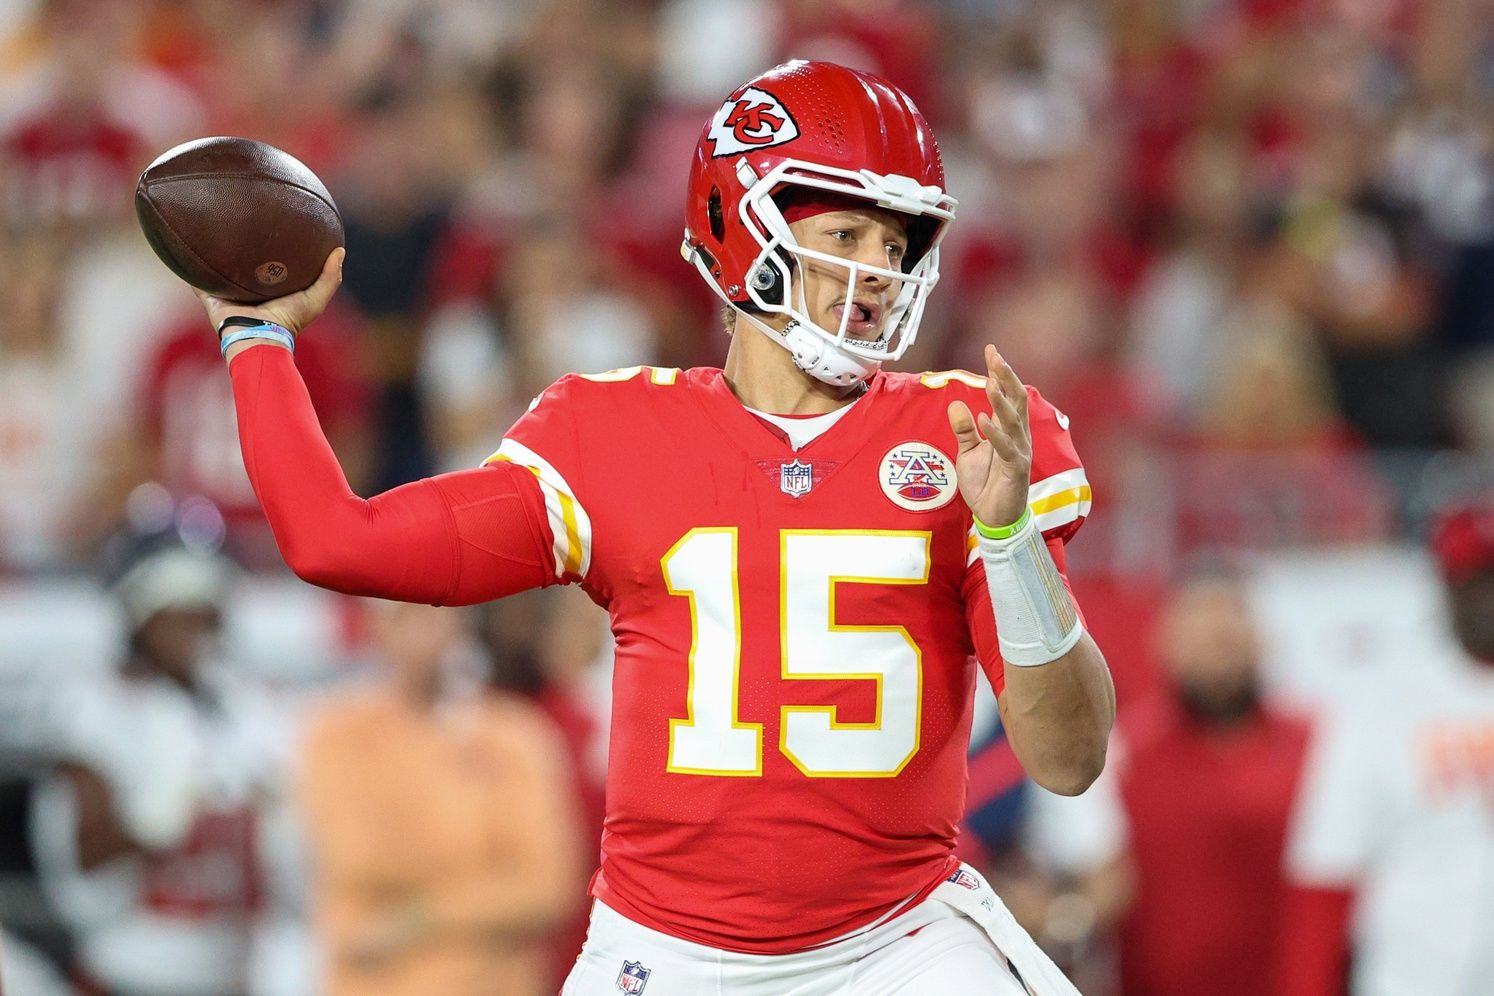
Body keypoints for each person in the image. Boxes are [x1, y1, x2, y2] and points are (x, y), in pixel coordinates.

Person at [195, 61, 1114, 994]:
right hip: (667, 957)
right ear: (741, 230)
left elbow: (1070, 760)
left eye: (895, 243)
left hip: (901, 947)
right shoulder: (613, 434)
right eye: (847, 232)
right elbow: (335, 541)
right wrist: (256, 341)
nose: (878, 270)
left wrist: (1010, 544)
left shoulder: (967, 433)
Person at [28, 512, 303, 996]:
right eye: (175, 609)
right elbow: (79, 865)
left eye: (206, 610)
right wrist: (153, 818)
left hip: (234, 972)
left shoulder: (247, 707)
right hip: (129, 972)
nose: (195, 629)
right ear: (136, 614)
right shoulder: (95, 707)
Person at [297, 599, 581, 995]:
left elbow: (546, 887)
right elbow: (360, 858)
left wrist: (415, 920)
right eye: (405, 615)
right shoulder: (336, 735)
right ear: (374, 627)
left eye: (438, 610)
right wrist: (482, 875)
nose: (426, 629)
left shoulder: (516, 736)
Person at [1278, 495, 1494, 996]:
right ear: (1444, 586)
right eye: (1476, 580)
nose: (1490, 598)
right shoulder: (1382, 704)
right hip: (1412, 980)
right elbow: (1325, 877)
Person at [1112, 571, 1310, 996]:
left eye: (1227, 641)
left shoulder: (1317, 748)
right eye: (1202, 642)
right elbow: (1097, 883)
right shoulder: (1122, 755)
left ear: (1262, 642)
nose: (1218, 657)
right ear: (1165, 648)